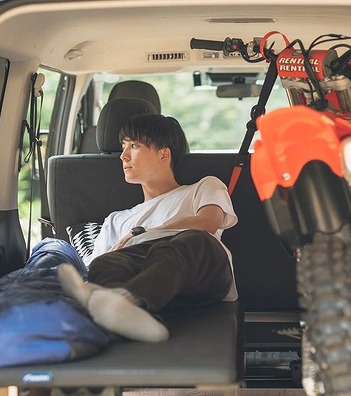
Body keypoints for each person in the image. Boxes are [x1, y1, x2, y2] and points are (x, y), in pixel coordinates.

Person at [57, 113, 238, 343]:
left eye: (134, 146)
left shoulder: (204, 186)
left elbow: (208, 223)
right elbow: (96, 266)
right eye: (123, 146)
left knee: (187, 242)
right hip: (146, 279)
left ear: (164, 154)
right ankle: (132, 314)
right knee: (106, 263)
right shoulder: (116, 220)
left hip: (200, 273)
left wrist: (145, 233)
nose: (123, 155)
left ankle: (126, 302)